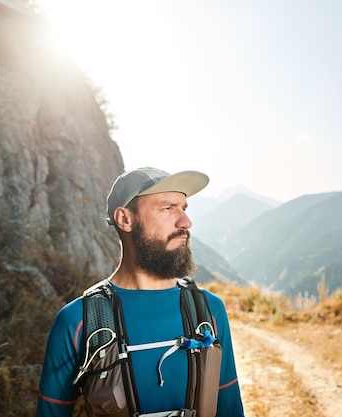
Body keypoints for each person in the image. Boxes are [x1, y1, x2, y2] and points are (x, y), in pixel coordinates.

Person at [36, 167, 245, 417]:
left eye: (184, 208)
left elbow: (230, 409)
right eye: (168, 208)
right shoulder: (78, 322)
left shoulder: (209, 310)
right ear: (125, 219)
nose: (186, 222)